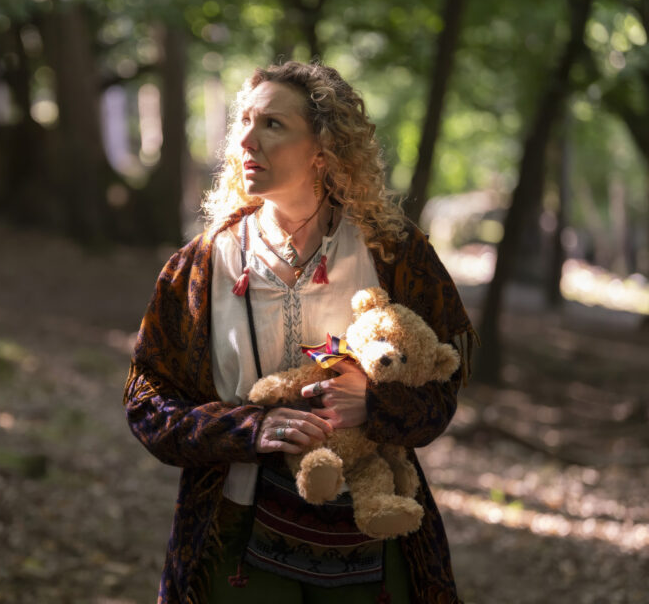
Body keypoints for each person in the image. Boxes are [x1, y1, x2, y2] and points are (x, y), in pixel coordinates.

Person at [123, 61, 476, 604]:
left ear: (323, 149)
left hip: (371, 530)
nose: (246, 139)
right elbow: (148, 402)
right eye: (244, 120)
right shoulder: (200, 266)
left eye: (272, 124)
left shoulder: (394, 254)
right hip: (233, 534)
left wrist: (373, 404)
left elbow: (442, 388)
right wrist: (249, 428)